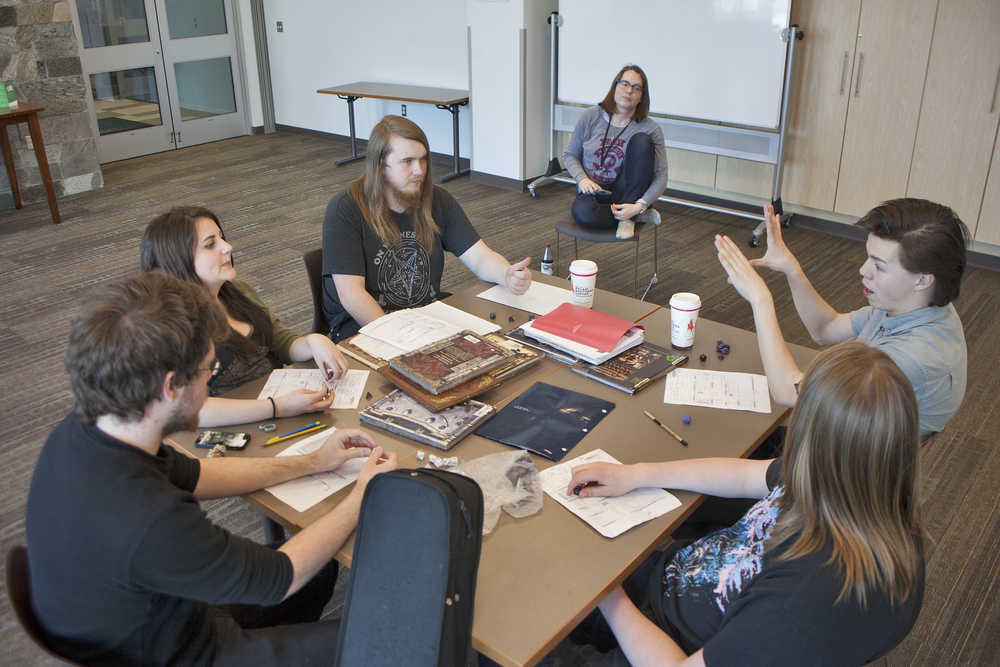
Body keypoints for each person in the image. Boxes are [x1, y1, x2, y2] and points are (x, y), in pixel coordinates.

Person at [25, 272, 398, 666]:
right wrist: (364, 494)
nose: (211, 381)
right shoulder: (147, 516)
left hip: (154, 611)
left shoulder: (94, 429)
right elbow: (281, 578)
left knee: (320, 572)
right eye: (208, 371)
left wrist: (311, 461)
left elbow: (197, 473)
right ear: (171, 387)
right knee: (394, 642)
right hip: (178, 653)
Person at [567, 342, 925, 665]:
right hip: (674, 583)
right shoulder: (853, 481)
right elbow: (739, 476)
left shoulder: (803, 599)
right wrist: (636, 474)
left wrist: (608, 596)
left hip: (670, 642)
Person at [715, 198, 968, 436]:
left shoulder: (911, 357)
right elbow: (826, 329)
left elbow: (791, 392)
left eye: (879, 266)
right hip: (848, 435)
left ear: (922, 280)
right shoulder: (914, 305)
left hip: (849, 466)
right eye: (868, 257)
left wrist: (760, 300)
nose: (863, 270)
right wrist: (791, 270)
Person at [322, 115, 532, 342]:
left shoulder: (436, 199)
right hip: (366, 327)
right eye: (407, 161)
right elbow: (351, 295)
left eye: (423, 159)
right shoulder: (345, 208)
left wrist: (505, 274)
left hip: (425, 317)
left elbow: (480, 257)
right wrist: (398, 338)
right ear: (381, 166)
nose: (420, 170)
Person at [142, 206, 350, 427]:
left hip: (282, 406)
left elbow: (281, 342)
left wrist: (313, 341)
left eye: (222, 238)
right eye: (210, 245)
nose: (227, 247)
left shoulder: (237, 291)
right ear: (178, 260)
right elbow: (190, 409)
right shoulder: (172, 325)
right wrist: (276, 407)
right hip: (235, 426)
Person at [562, 64, 668, 240]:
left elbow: (661, 176)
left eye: (636, 88)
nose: (629, 91)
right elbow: (569, 155)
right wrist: (582, 179)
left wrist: (640, 204)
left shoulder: (651, 129)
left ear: (642, 96)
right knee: (584, 214)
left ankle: (631, 215)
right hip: (593, 191)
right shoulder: (590, 116)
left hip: (627, 192)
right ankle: (634, 217)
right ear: (615, 86)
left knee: (642, 141)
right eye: (624, 84)